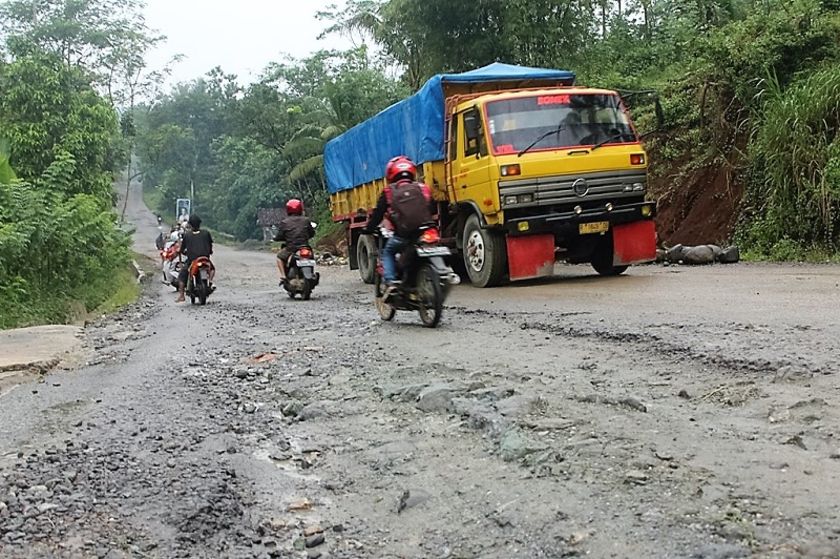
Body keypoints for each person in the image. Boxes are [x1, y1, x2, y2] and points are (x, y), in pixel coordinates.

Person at [363, 156, 434, 296]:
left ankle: (390, 282)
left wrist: (368, 229)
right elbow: (430, 207)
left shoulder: (389, 192)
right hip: (426, 231)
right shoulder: (423, 188)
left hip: (404, 235)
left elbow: (377, 215)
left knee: (388, 252)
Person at [274, 199, 315, 287]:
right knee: (311, 257)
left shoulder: (285, 222)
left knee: (279, 258)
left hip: (291, 249)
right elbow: (312, 233)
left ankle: (283, 276)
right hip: (305, 248)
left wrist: (276, 239)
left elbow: (279, 236)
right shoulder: (306, 220)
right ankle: (312, 273)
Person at [176, 214, 214, 303]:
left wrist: (181, 251)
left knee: (182, 275)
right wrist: (210, 251)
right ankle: (211, 282)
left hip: (192, 261)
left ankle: (181, 295)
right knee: (212, 269)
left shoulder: (187, 235)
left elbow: (182, 249)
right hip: (205, 259)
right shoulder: (206, 233)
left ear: (190, 225)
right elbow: (210, 245)